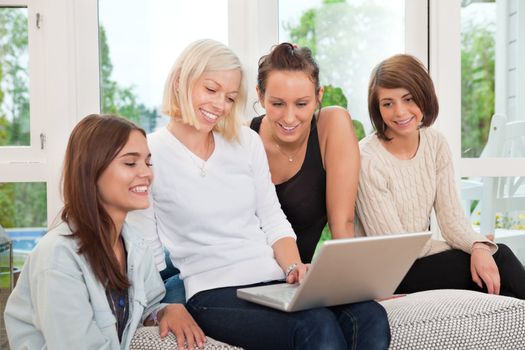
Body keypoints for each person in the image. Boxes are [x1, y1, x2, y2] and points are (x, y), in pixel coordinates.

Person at [127, 39, 390, 350]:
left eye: (229, 97)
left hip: (272, 279)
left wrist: (294, 269)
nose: (219, 105)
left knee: (369, 316)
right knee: (314, 327)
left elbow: (272, 218)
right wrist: (162, 307)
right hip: (213, 290)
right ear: (180, 80)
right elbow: (145, 251)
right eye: (210, 90)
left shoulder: (244, 142)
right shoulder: (149, 154)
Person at [4, 114, 206, 350]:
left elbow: (148, 306)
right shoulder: (57, 257)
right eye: (130, 163)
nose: (147, 173)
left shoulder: (134, 245)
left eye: (148, 162)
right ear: (92, 170)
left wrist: (166, 310)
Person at [356, 54, 525, 299]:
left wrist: (476, 245)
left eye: (408, 98)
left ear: (424, 96)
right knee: (501, 259)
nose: (399, 111)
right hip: (389, 272)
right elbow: (395, 249)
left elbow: (451, 220)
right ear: (377, 108)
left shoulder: (435, 143)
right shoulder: (368, 159)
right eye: (387, 103)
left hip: (421, 260)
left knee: (496, 262)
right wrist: (473, 246)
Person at [250, 42, 360, 262]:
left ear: (319, 96)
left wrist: (356, 288)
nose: (290, 118)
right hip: (243, 276)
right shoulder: (245, 139)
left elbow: (343, 225)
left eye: (301, 104)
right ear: (261, 96)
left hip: (295, 280)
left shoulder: (332, 125)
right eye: (278, 104)